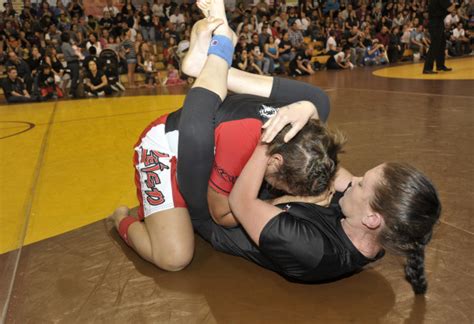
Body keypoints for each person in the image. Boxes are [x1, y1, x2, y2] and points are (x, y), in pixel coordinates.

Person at [422, 0, 456, 74]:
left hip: (438, 23)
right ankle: (427, 68)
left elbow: (446, 9)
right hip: (435, 23)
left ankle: (440, 65)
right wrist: (454, 2)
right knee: (434, 46)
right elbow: (450, 9)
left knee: (441, 44)